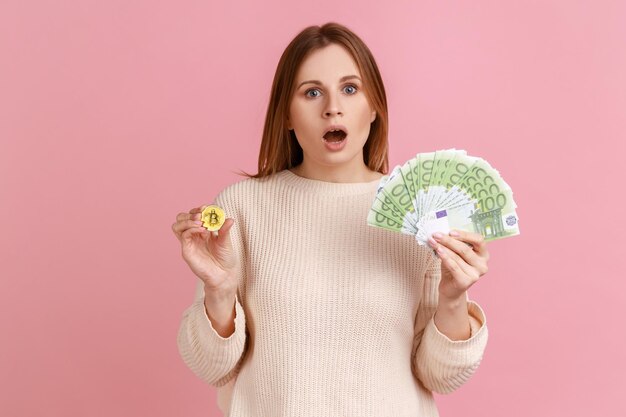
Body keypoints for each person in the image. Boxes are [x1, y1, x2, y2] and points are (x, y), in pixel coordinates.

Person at [172, 22, 490, 417]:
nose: (332, 107)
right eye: (312, 92)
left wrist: (453, 297)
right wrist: (219, 292)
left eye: (350, 88)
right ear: (286, 114)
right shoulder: (242, 210)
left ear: (374, 107)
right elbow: (210, 366)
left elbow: (441, 377)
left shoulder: (418, 213)